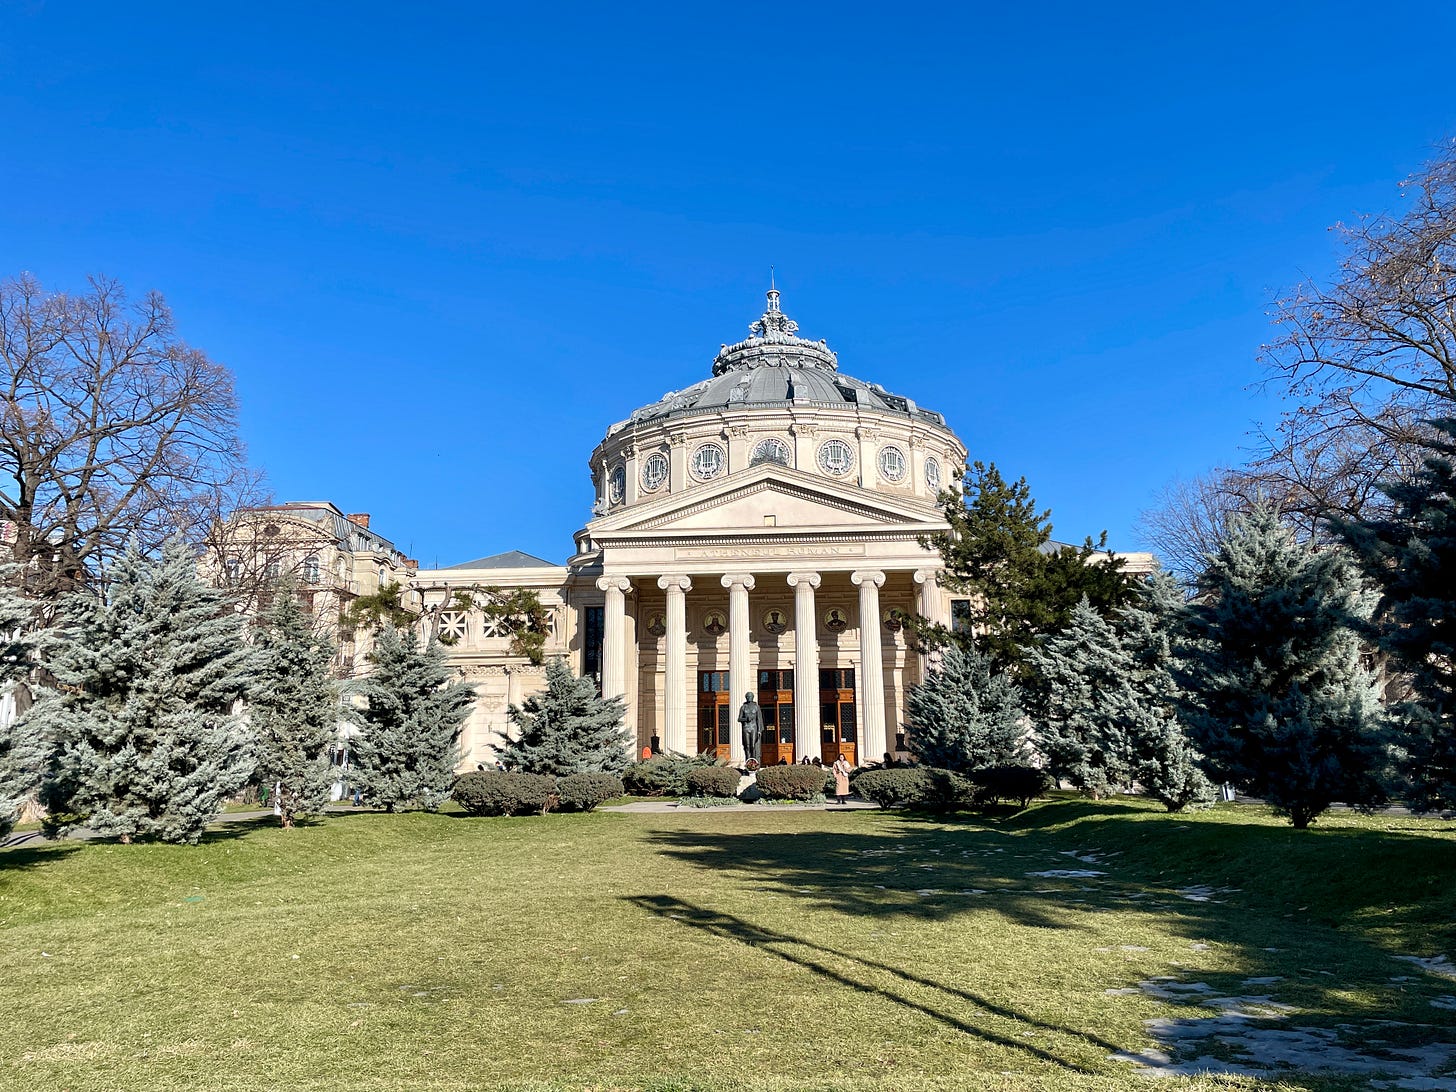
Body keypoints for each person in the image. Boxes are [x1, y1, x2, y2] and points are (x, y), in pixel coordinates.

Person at [737, 692, 764, 764]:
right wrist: (746, 719)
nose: (749, 698)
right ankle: (748, 763)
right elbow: (739, 719)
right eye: (747, 696)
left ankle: (754, 762)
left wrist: (759, 730)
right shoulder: (743, 707)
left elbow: (759, 719)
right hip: (746, 728)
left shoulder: (756, 707)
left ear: (753, 697)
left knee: (753, 746)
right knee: (747, 746)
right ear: (746, 697)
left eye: (750, 696)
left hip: (754, 728)